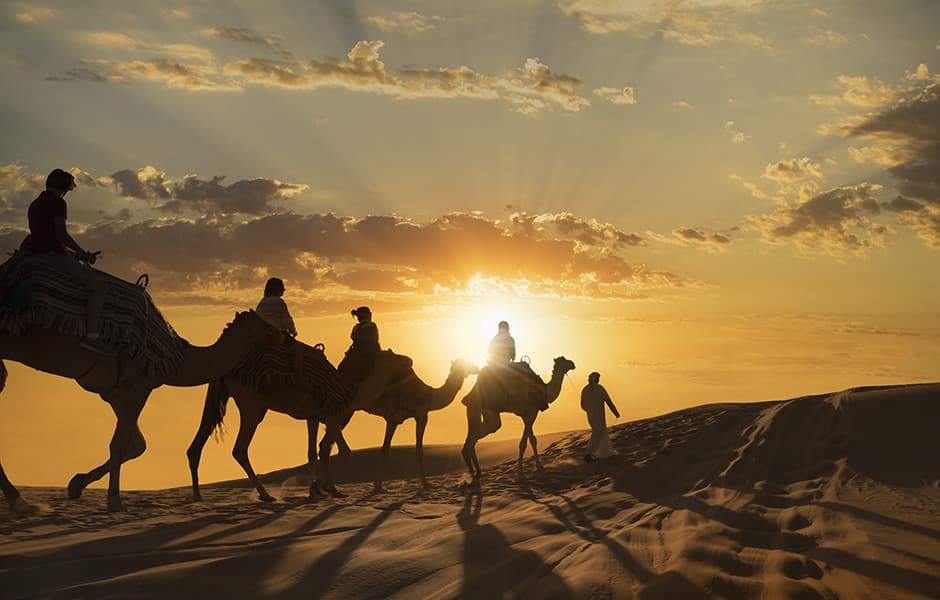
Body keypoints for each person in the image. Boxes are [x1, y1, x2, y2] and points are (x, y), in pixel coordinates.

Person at [27, 168, 110, 354]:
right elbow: (61, 234)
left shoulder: (34, 204)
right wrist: (83, 253)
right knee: (99, 287)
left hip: (38, 253)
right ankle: (92, 337)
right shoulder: (57, 203)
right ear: (64, 188)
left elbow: (45, 235)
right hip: (52, 255)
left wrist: (75, 253)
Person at [255, 277, 304, 385]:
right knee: (297, 349)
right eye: (282, 288)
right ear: (277, 289)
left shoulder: (262, 302)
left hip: (263, 335)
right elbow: (286, 320)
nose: (284, 290)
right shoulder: (279, 302)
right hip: (277, 334)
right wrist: (293, 331)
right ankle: (299, 377)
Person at [580, 372, 619, 461]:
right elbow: (608, 401)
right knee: (598, 432)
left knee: (599, 433)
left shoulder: (585, 389)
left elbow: (582, 405)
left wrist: (588, 411)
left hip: (592, 416)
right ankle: (589, 454)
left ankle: (601, 454)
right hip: (598, 416)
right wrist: (616, 412)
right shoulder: (599, 389)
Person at [338, 306, 380, 383]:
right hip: (364, 352)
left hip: (367, 353)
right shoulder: (367, 325)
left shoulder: (366, 326)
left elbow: (359, 338)